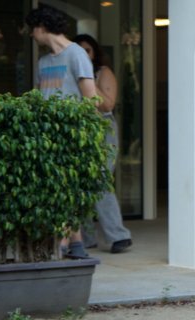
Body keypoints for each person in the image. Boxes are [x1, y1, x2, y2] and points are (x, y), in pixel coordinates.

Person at [26, 5, 96, 260]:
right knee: (57, 191)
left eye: (32, 30)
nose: (31, 36)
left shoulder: (76, 54)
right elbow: (37, 98)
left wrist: (84, 136)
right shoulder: (43, 61)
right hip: (44, 137)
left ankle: (62, 244)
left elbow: (90, 99)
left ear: (42, 28)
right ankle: (76, 244)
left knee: (65, 190)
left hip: (71, 136)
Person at [73, 34, 133, 254]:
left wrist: (87, 77)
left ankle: (119, 236)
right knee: (79, 185)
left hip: (102, 129)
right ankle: (86, 238)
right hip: (77, 130)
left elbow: (107, 105)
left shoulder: (103, 72)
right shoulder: (69, 72)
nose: (83, 54)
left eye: (87, 50)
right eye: (78, 50)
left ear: (94, 52)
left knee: (100, 181)